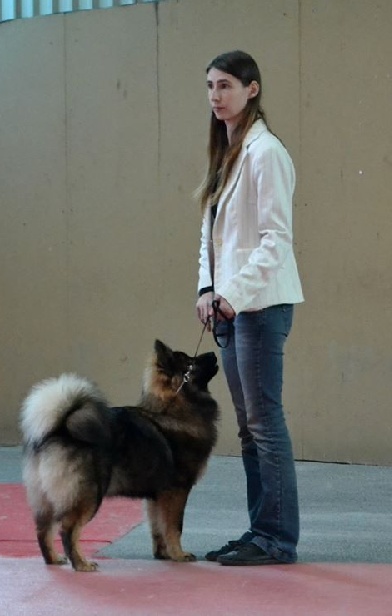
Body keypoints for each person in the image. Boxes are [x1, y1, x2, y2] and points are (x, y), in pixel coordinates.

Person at [194, 51, 303, 566]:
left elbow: (276, 239)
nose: (215, 96)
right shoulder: (227, 152)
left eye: (226, 85)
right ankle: (261, 531)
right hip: (233, 308)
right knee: (249, 427)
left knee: (264, 424)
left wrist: (231, 295)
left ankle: (277, 539)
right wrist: (206, 288)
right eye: (210, 86)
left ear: (252, 89)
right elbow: (210, 236)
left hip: (260, 306)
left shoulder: (266, 152)